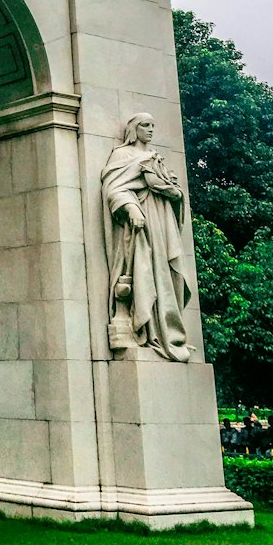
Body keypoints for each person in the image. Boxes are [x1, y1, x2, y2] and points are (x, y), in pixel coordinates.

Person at [101, 113, 192, 362]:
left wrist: (174, 192)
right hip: (142, 224)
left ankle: (169, 335)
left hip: (162, 221)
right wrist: (130, 207)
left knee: (167, 274)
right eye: (145, 125)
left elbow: (172, 189)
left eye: (153, 125)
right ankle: (148, 329)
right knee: (145, 272)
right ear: (134, 129)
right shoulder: (122, 155)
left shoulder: (156, 157)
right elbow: (113, 188)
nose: (150, 129)